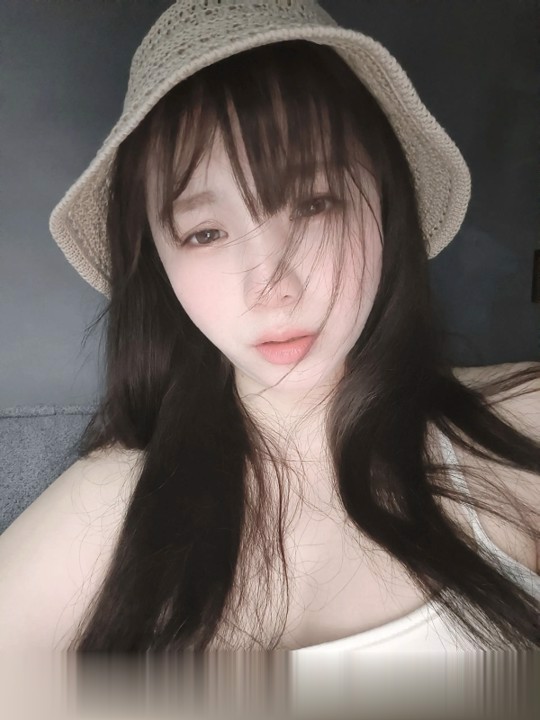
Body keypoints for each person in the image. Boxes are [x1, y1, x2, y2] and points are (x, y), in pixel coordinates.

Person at [0, 0, 538, 659]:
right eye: (205, 232)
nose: (272, 286)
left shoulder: (523, 424)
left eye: (314, 202)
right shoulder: (103, 511)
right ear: (160, 265)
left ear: (385, 203)